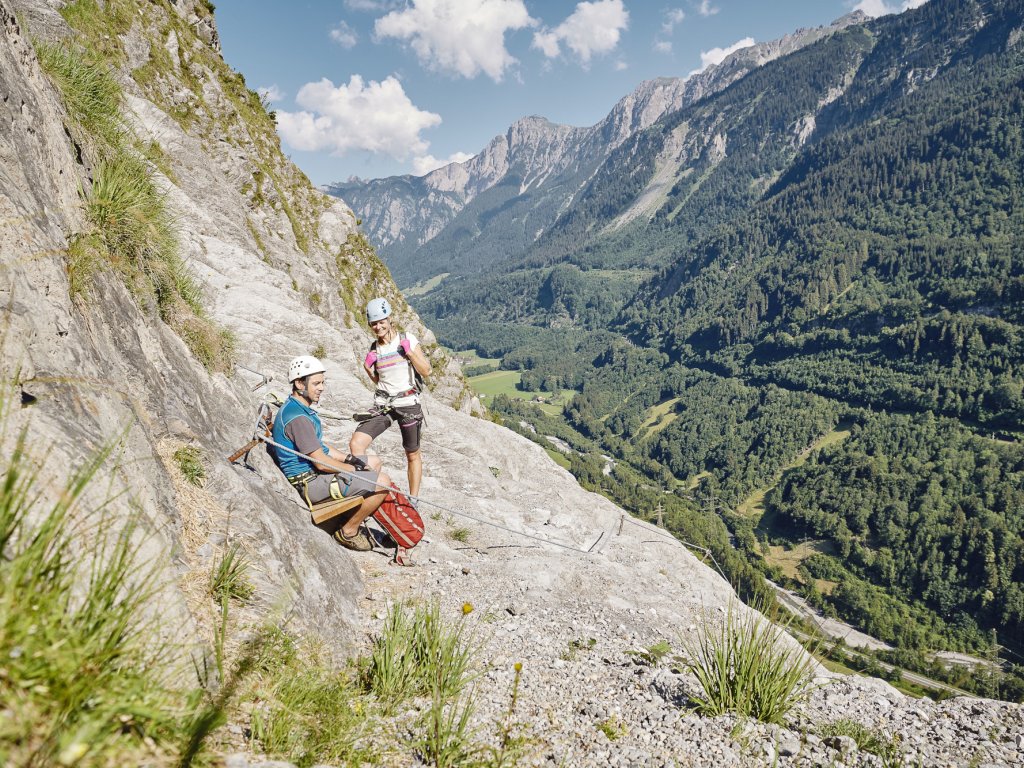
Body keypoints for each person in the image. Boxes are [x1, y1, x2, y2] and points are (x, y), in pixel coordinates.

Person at [269, 355, 390, 552]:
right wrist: (353, 469)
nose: (321, 388)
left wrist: (350, 459)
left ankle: (346, 514)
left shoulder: (300, 409)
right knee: (382, 482)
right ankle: (348, 531)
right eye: (316, 383)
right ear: (300, 383)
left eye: (322, 382)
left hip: (315, 476)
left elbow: (320, 447)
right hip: (310, 483)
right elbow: (321, 463)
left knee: (374, 462)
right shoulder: (297, 418)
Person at [349, 298, 432, 502]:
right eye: (374, 324)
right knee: (357, 443)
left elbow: (427, 371)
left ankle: (413, 499)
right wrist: (368, 370)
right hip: (384, 405)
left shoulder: (407, 339)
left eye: (381, 321)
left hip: (407, 404)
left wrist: (409, 352)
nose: (378, 327)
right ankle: (370, 486)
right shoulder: (374, 348)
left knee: (412, 453)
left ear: (389, 319)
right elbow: (379, 381)